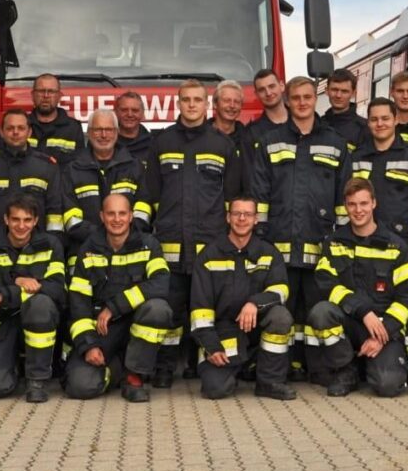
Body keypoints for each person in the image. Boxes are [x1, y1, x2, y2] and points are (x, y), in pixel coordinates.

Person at [137, 80, 243, 383]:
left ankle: (202, 363)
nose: (192, 105)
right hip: (169, 242)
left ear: (207, 104)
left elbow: (231, 199)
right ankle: (164, 369)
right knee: (170, 310)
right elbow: (150, 195)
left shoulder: (223, 145)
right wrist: (143, 233)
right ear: (178, 103)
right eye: (186, 100)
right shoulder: (161, 142)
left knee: (206, 307)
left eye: (198, 100)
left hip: (208, 244)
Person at [249, 76, 352, 379]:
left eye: (308, 97)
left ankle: (318, 369)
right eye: (296, 98)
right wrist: (261, 239)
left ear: (315, 99)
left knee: (317, 310)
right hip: (279, 246)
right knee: (283, 311)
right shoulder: (270, 141)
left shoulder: (335, 143)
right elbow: (260, 193)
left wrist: (341, 242)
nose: (303, 103)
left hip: (321, 246)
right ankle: (283, 369)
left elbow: (344, 197)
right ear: (287, 100)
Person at [305, 179, 408, 398]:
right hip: (350, 322)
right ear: (345, 206)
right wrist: (363, 312)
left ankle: (376, 364)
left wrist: (382, 335)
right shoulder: (334, 243)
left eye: (364, 203)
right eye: (352, 204)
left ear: (374, 203)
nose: (358, 210)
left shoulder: (395, 246)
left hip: (384, 326)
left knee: (388, 386)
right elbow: (326, 284)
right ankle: (347, 369)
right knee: (321, 312)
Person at [352, 98, 408, 368]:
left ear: (396, 120)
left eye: (385, 118)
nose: (380, 124)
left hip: (404, 248)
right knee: (371, 299)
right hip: (366, 247)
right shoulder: (357, 158)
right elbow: (347, 202)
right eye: (374, 119)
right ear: (368, 123)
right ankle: (371, 356)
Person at [64, 193, 173, 402]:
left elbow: (161, 283)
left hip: (134, 323)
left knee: (158, 309)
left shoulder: (148, 245)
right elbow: (78, 305)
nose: (117, 219)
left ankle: (134, 376)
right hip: (103, 329)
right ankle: (117, 369)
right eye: (111, 214)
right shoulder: (88, 251)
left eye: (122, 213)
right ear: (102, 217)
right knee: (80, 386)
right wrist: (89, 346)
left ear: (131, 216)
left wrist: (115, 306)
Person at [190, 196, 298, 400]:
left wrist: (254, 303)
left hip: (257, 329)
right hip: (223, 332)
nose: (242, 219)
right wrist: (212, 347)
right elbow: (200, 311)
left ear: (256, 219)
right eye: (236, 213)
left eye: (247, 214)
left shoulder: (269, 253)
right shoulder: (209, 255)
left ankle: (269, 381)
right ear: (228, 217)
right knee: (216, 389)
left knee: (280, 316)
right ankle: (241, 367)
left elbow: (281, 290)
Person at [0, 192, 67, 402]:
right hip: (1, 323)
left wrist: (6, 292)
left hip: (36, 319)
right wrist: (18, 283)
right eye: (16, 220)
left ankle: (36, 380)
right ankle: (9, 368)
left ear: (36, 220)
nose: (21, 226)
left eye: (27, 220)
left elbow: (57, 290)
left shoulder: (51, 246)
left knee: (41, 303)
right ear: (6, 219)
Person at [0, 109, 66, 247]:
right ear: (1, 131)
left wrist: (53, 247)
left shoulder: (47, 167)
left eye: (21, 128)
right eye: (10, 128)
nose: (15, 132)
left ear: (29, 132)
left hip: (38, 252)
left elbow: (55, 215)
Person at [61, 110, 144, 252]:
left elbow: (144, 210)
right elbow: (70, 218)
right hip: (85, 251)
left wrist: (123, 234)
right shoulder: (72, 170)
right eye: (98, 130)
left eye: (109, 130)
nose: (104, 135)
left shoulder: (135, 167)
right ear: (89, 132)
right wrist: (104, 235)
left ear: (117, 132)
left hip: (129, 251)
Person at [27, 73, 85, 159]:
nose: (46, 96)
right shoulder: (22, 126)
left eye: (51, 91)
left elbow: (79, 165)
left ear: (59, 96)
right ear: (32, 95)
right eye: (41, 91)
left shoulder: (73, 128)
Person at [320, 69, 368, 151]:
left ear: (353, 94)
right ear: (326, 91)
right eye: (334, 90)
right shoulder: (317, 125)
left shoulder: (365, 128)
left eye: (344, 91)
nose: (338, 95)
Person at [246, 69, 288, 149]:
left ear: (282, 86)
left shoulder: (301, 122)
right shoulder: (251, 132)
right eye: (262, 90)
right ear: (256, 95)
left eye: (272, 86)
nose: (268, 93)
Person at [113, 91, 153, 166]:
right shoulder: (106, 144)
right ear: (116, 112)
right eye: (124, 110)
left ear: (142, 113)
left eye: (135, 110)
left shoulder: (153, 146)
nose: (130, 114)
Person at [211, 81, 248, 150]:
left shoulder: (248, 139)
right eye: (227, 101)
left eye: (236, 101)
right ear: (215, 104)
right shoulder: (201, 136)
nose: (232, 105)